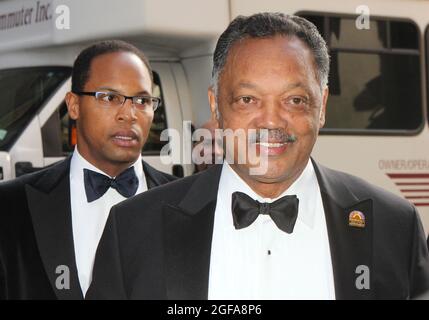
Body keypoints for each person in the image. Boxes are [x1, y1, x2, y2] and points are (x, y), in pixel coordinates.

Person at [87, 14, 429, 300]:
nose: (271, 121)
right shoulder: (133, 229)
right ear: (216, 105)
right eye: (248, 100)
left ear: (322, 106)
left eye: (294, 100)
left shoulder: (394, 226)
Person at [0, 40, 176, 300]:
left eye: (142, 100)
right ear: (73, 105)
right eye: (109, 97)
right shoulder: (9, 206)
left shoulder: (185, 204)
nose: (129, 114)